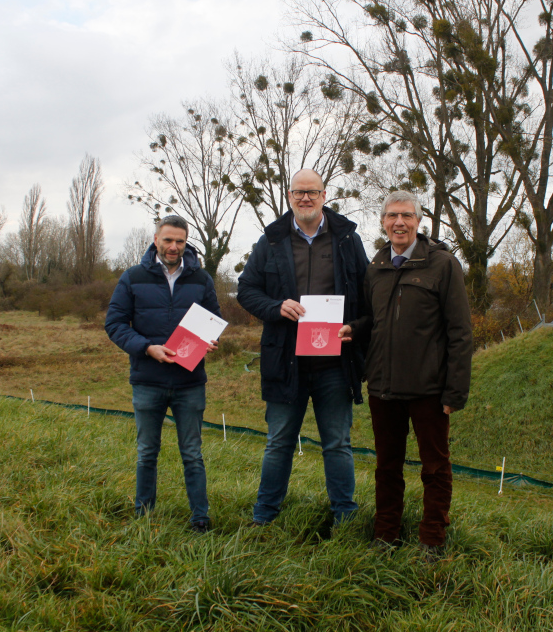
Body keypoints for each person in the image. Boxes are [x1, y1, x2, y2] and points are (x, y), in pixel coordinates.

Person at [339, 190, 474, 561]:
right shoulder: (376, 267)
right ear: (383, 222)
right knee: (387, 467)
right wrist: (353, 328)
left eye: (407, 216)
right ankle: (386, 534)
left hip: (429, 389)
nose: (399, 222)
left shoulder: (443, 265)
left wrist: (454, 392)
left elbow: (460, 332)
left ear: (419, 222)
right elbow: (374, 320)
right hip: (383, 386)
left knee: (435, 467)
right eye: (392, 216)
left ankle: (432, 538)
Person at [237, 168, 369, 527]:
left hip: (335, 363)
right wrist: (276, 307)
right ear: (290, 197)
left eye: (312, 192)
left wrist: (355, 328)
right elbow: (247, 290)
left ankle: (344, 516)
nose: (305, 198)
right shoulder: (272, 241)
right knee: (279, 442)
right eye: (298, 193)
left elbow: (369, 294)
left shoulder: (346, 239)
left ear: (325, 195)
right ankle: (264, 517)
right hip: (286, 360)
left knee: (337, 443)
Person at [105, 215, 220, 532]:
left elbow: (214, 322)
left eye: (180, 241)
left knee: (193, 454)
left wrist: (211, 340)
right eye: (168, 240)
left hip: (189, 383)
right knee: (146, 453)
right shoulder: (132, 277)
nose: (173, 247)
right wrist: (146, 348)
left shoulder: (202, 280)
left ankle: (200, 517)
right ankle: (144, 514)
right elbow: (114, 325)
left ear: (186, 243)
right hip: (148, 381)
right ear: (155, 239)